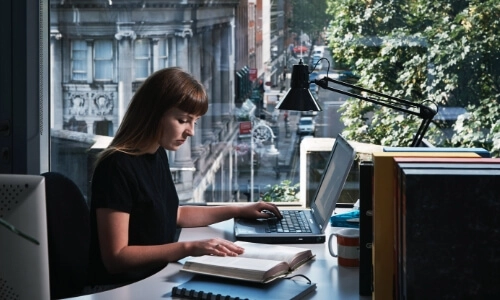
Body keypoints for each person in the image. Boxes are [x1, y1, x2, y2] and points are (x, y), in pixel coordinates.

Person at [87, 67, 282, 289]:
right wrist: (189, 248)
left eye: (195, 122)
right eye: (182, 120)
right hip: (125, 289)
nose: (191, 131)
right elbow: (116, 258)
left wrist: (238, 210)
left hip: (155, 277)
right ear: (153, 113)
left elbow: (175, 213)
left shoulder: (156, 152)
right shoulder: (116, 167)